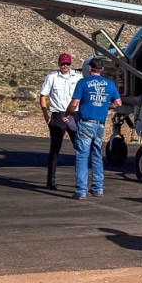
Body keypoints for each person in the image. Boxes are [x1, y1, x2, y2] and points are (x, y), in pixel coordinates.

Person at [67, 58, 121, 199]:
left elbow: (74, 103)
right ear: (102, 69)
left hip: (86, 122)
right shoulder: (110, 84)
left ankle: (81, 190)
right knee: (97, 155)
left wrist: (67, 114)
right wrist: (105, 106)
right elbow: (118, 103)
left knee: (82, 155)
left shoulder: (83, 82)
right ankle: (97, 188)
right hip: (99, 124)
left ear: (90, 69)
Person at [38, 53, 83, 189]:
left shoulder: (78, 77)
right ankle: (50, 180)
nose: (65, 66)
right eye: (63, 64)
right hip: (58, 115)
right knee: (55, 148)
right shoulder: (51, 77)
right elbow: (43, 96)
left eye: (68, 64)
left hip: (74, 115)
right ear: (59, 64)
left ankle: (81, 182)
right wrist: (47, 116)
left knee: (80, 148)